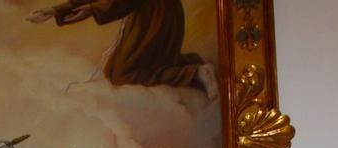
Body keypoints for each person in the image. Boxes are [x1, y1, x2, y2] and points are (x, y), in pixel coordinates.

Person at [26, 1, 217, 99]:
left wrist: (94, 9)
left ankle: (195, 72)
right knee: (114, 73)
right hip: (150, 14)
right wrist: (56, 10)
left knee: (124, 75)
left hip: (154, 16)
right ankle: (191, 63)